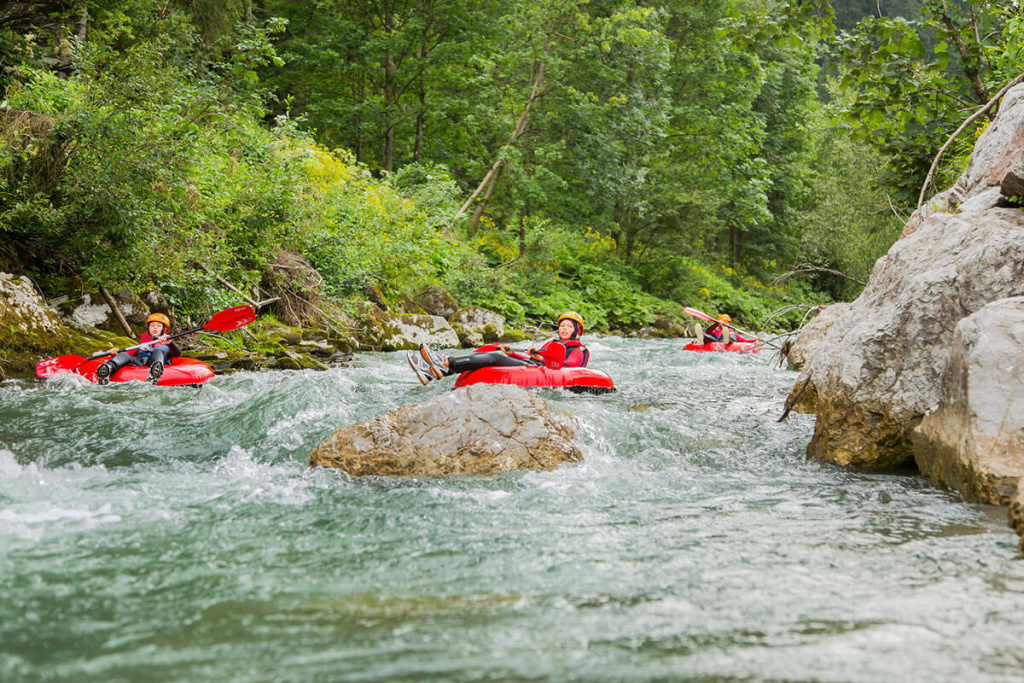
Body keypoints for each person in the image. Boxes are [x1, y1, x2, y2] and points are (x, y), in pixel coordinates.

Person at [407, 311, 590, 385]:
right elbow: (530, 360)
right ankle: (432, 372)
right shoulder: (553, 344)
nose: (564, 329)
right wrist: (513, 354)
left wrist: (540, 358)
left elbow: (566, 367)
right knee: (493, 351)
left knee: (496, 357)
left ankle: (445, 362)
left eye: (569, 326)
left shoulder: (579, 350)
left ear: (577, 330)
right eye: (562, 325)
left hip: (550, 374)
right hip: (535, 368)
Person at [96, 312, 181, 385]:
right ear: (148, 328)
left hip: (154, 363)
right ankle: (108, 368)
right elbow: (127, 354)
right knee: (124, 354)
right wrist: (115, 354)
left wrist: (170, 343)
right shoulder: (142, 342)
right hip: (140, 363)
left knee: (158, 352)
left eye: (158, 326)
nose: (155, 327)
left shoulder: (168, 343)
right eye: (152, 325)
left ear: (164, 329)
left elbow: (178, 354)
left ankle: (155, 373)